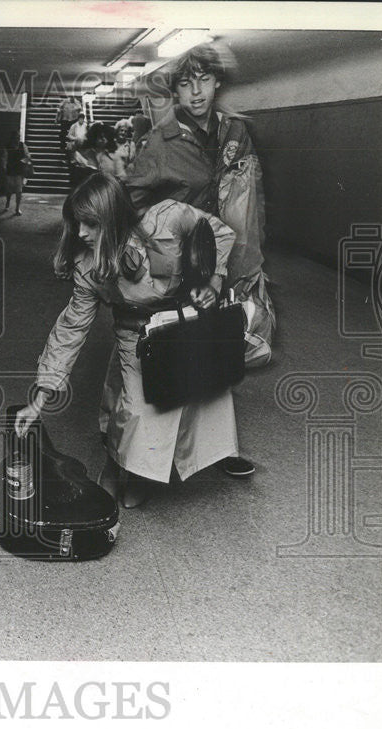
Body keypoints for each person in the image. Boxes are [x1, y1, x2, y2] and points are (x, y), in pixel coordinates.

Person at [14, 173, 242, 509]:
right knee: (138, 412)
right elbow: (72, 327)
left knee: (196, 398)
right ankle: (116, 464)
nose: (81, 234)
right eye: (77, 224)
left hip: (184, 325)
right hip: (135, 334)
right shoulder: (87, 264)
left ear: (114, 218)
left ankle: (140, 474)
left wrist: (212, 281)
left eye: (90, 224)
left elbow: (221, 233)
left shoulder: (169, 217)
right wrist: (40, 396)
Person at [122, 43, 274, 477]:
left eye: (203, 80)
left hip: (220, 255)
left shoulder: (234, 133)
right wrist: (154, 248)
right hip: (171, 260)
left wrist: (242, 263)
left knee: (211, 350)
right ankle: (136, 466)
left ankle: (211, 452)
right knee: (158, 354)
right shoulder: (159, 142)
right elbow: (130, 207)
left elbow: (245, 199)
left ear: (217, 82)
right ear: (175, 92)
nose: (196, 92)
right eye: (185, 83)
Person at [1, 129, 31, 216]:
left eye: (18, 137)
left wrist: (24, 163)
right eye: (15, 137)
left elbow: (28, 156)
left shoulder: (23, 146)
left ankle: (17, 208)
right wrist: (4, 168)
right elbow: (4, 158)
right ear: (12, 138)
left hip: (19, 172)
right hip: (10, 171)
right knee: (9, 190)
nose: (17, 139)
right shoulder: (7, 147)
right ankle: (7, 203)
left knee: (19, 191)